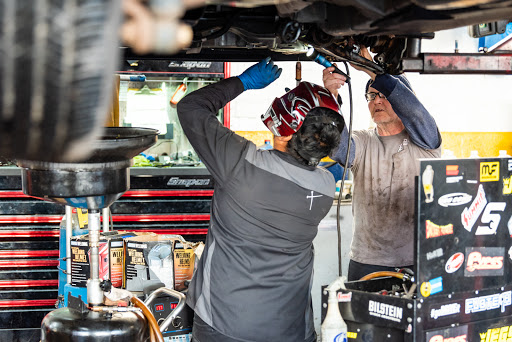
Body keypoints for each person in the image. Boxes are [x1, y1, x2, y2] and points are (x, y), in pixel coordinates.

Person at [177, 57, 345, 342]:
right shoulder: (326, 186)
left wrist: (243, 82)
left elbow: (190, 106)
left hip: (225, 325)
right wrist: (330, 99)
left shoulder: (240, 163)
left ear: (285, 127)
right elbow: (326, 149)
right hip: (292, 330)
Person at [322, 47, 442, 281]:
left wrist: (370, 69)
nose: (376, 101)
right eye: (371, 96)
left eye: (384, 95)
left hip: (416, 261)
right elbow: (339, 147)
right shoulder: (363, 141)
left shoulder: (425, 139)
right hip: (367, 262)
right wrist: (331, 96)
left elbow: (414, 110)